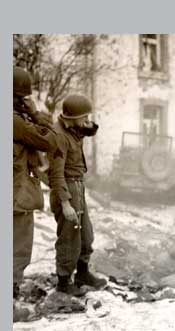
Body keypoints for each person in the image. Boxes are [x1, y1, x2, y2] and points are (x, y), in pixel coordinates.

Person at [48, 94, 107, 296]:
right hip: (66, 189)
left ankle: (82, 274)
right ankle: (64, 283)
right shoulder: (59, 136)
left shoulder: (73, 129)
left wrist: (88, 122)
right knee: (69, 237)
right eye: (84, 117)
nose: (86, 121)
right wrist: (65, 203)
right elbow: (55, 174)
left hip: (78, 186)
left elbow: (89, 130)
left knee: (85, 235)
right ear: (73, 117)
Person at [13, 66, 59, 300]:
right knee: (16, 253)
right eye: (24, 97)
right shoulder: (16, 122)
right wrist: (36, 113)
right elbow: (51, 140)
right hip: (15, 197)